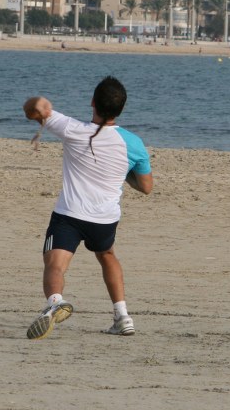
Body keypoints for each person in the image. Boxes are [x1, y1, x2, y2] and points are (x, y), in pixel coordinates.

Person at [22, 76, 153, 340]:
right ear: (121, 109)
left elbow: (32, 110)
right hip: (104, 219)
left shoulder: (73, 129)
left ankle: (55, 302)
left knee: (55, 263)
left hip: (69, 215)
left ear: (92, 102)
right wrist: (124, 172)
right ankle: (123, 316)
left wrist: (39, 102)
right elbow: (146, 187)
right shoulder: (134, 144)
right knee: (107, 255)